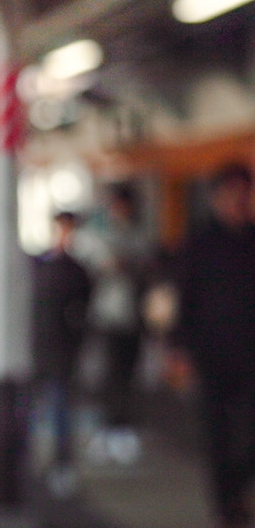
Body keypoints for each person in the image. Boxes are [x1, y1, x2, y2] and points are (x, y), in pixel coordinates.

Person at [172, 162, 255, 528]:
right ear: (216, 197)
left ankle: (237, 488)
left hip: (251, 354)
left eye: (244, 194)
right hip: (212, 355)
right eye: (230, 193)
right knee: (217, 435)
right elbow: (184, 298)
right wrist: (179, 349)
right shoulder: (199, 243)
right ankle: (227, 504)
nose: (237, 201)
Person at [75, 183, 154, 465]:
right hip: (106, 316)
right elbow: (88, 266)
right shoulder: (97, 236)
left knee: (128, 375)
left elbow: (146, 267)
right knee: (108, 375)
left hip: (132, 317)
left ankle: (123, 430)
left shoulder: (137, 236)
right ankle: (107, 431)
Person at [29, 211, 93, 497]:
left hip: (62, 349)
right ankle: (33, 464)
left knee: (60, 409)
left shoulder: (77, 271)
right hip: (39, 346)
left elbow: (85, 310)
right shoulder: (37, 265)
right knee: (37, 409)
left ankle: (61, 466)